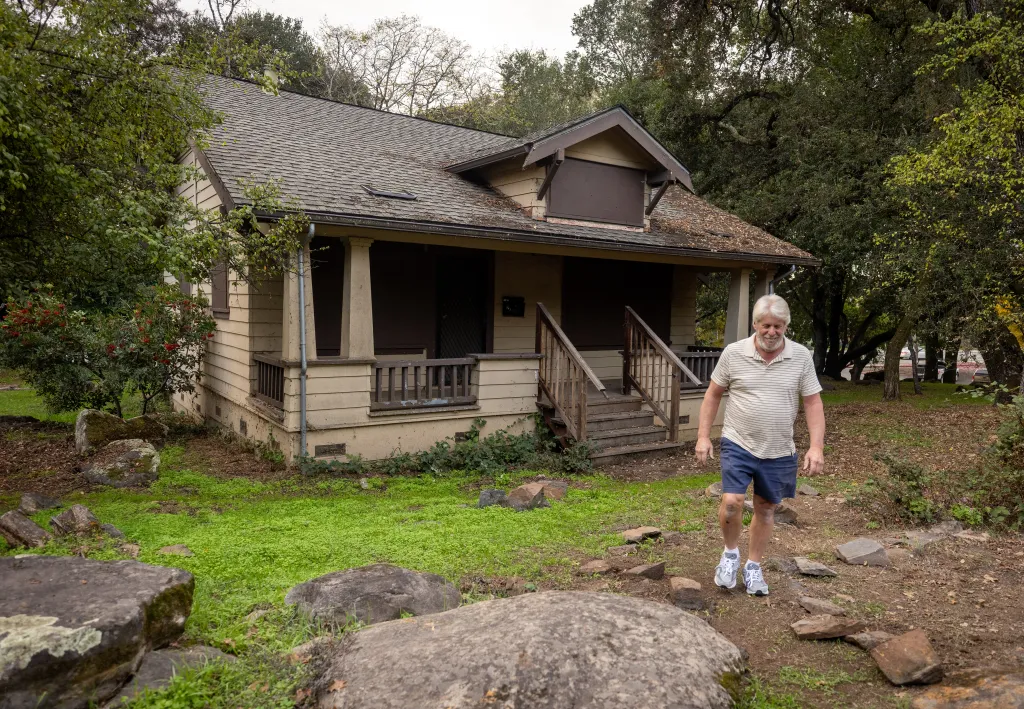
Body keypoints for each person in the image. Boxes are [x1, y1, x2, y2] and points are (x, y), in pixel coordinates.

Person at [694, 294, 825, 596]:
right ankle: (729, 554)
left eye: (778, 326)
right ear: (755, 324)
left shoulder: (800, 356)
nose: (771, 332)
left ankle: (753, 566)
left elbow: (813, 402)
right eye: (766, 325)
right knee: (731, 502)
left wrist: (816, 446)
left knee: (766, 510)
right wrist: (703, 436)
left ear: (786, 326)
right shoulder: (734, 353)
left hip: (779, 448)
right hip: (738, 441)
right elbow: (713, 394)